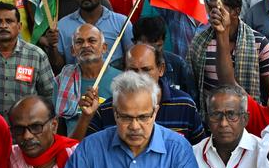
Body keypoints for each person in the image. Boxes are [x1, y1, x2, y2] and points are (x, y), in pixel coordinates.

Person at [49, 71, 204, 168]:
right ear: (114, 113)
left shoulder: (177, 148)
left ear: (155, 112)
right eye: (126, 117)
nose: (135, 126)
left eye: (143, 117)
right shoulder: (92, 147)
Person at [78, 43, 207, 143]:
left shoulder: (184, 105)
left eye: (146, 70)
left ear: (161, 69)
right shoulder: (108, 108)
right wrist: (85, 117)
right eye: (133, 70)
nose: (139, 76)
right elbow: (80, 151)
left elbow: (199, 150)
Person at [192, 85, 269, 168]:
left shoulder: (263, 152)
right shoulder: (193, 155)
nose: (223, 123)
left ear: (245, 119)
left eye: (231, 115)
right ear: (207, 119)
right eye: (216, 115)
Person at [190, 0, 269, 108]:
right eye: (211, 8)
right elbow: (192, 85)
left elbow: (268, 89)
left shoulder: (259, 44)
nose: (213, 14)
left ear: (236, 12)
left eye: (219, 9)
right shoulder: (199, 42)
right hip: (209, 118)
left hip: (247, 119)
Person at [54, 23, 121, 131]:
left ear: (104, 48)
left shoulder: (121, 80)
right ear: (72, 51)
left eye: (92, 41)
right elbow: (58, 123)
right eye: (79, 42)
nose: (85, 45)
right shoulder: (62, 80)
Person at [57, 0, 134, 65]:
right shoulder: (62, 25)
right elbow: (58, 65)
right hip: (77, 78)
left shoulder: (122, 22)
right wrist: (52, 46)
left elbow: (131, 57)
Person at [134, 16, 197, 95]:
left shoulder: (178, 65)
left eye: (157, 47)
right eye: (146, 48)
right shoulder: (123, 67)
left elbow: (192, 101)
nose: (151, 54)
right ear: (134, 43)